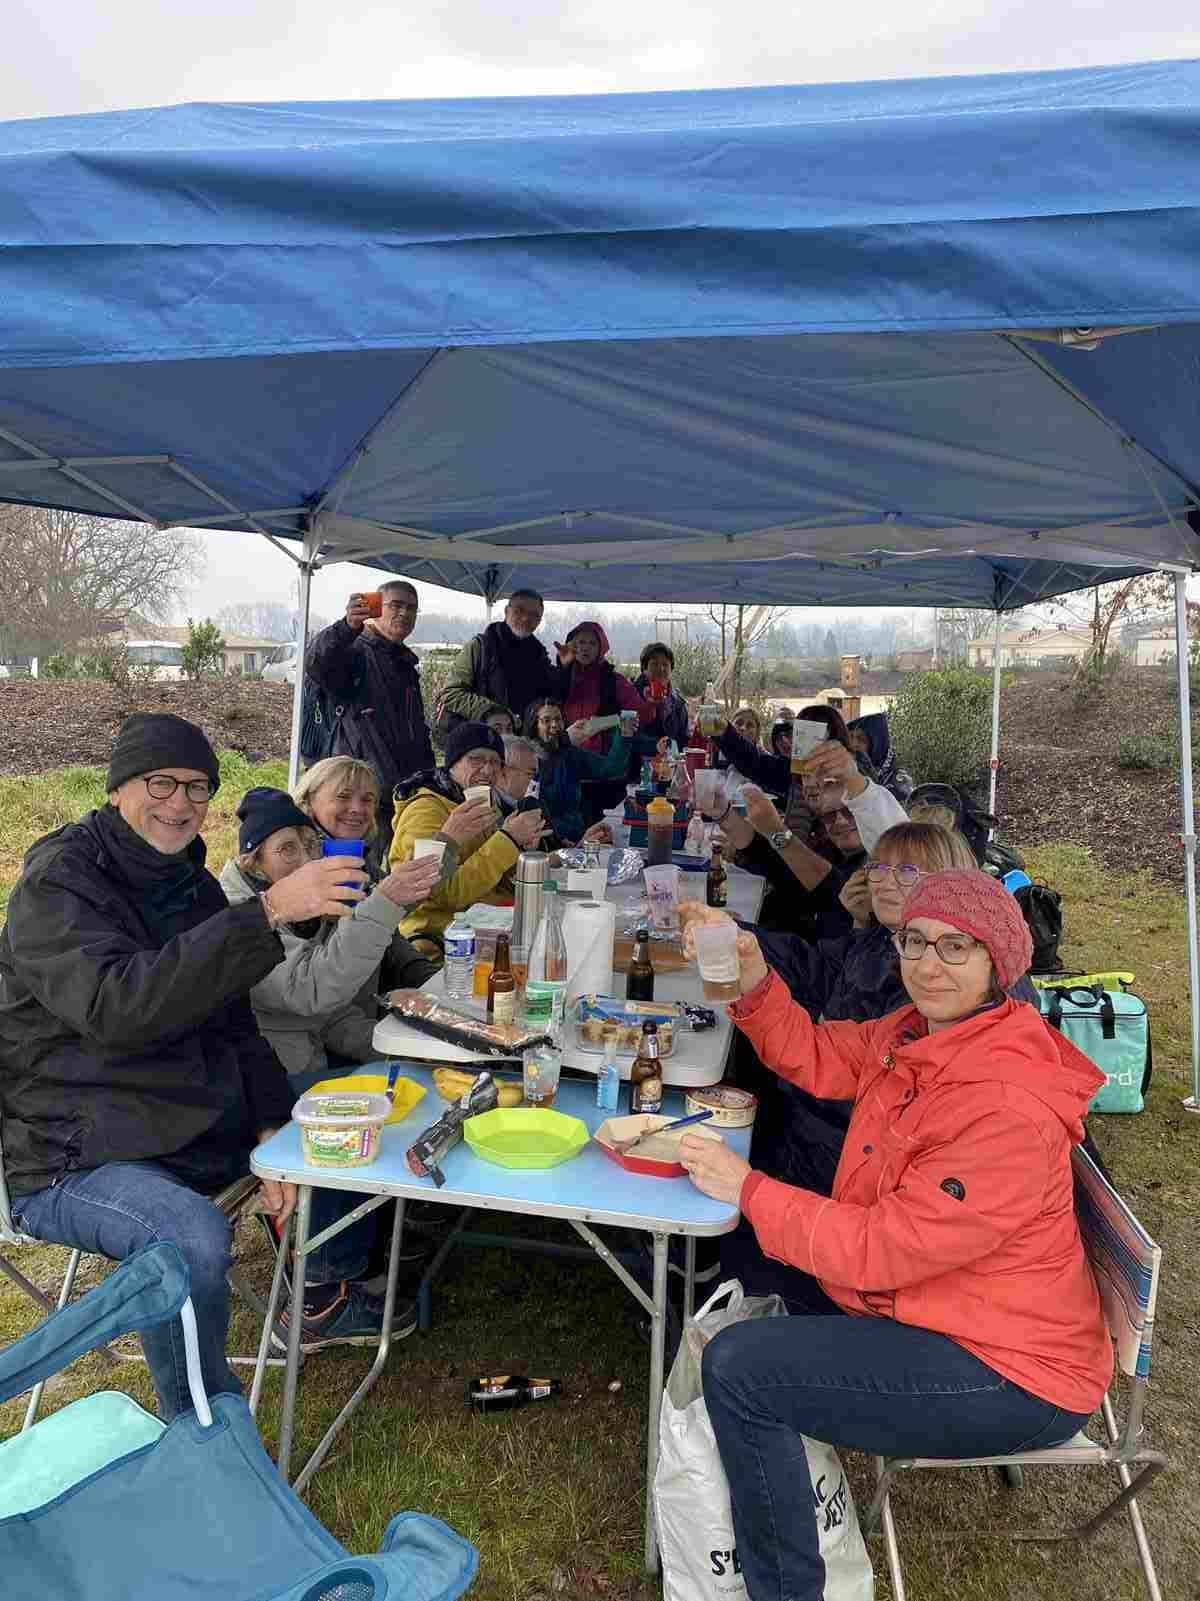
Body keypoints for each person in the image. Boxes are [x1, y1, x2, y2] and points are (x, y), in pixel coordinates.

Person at [680, 870, 1112, 1601]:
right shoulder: (922, 1031)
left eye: (956, 947)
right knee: (752, 1269)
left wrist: (747, 1187)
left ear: (998, 964)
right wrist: (751, 980)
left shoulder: (1003, 1102)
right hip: (936, 1302)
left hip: (1007, 1368)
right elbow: (817, 1055)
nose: (928, 963)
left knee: (742, 1368)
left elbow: (882, 1247)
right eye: (915, 941)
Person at [0, 714, 405, 1422]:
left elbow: (234, 1026)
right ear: (119, 787)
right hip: (67, 1152)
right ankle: (206, 1434)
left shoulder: (189, 887)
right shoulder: (57, 882)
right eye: (162, 783)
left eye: (197, 788)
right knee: (187, 1238)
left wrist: (275, 1128)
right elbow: (117, 1004)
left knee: (339, 1128)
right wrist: (271, 910)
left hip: (171, 1129)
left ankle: (327, 1300)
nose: (181, 804)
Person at [218, 787, 446, 1092]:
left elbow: (333, 1017)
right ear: (253, 862)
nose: (306, 860)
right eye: (287, 849)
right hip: (270, 1089)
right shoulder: (238, 918)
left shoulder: (314, 910)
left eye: (312, 845)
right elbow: (311, 989)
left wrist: (414, 1050)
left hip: (315, 1067)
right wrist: (386, 900)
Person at [709, 742, 908, 941]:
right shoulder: (831, 849)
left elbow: (828, 887)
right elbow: (783, 868)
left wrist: (775, 831)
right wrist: (725, 815)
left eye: (849, 810)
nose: (840, 820)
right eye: (829, 815)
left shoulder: (884, 861)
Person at [388, 722, 550, 958]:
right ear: (453, 763)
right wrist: (507, 839)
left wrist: (521, 852)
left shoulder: (483, 804)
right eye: (476, 759)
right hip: (438, 944)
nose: (487, 770)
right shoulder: (425, 810)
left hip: (488, 931)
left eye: (495, 762)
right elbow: (446, 894)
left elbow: (494, 883)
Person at [304, 581, 432, 838]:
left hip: (400, 793)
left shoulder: (404, 663)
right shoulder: (354, 651)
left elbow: (415, 730)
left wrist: (427, 778)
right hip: (358, 792)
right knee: (356, 866)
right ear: (377, 608)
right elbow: (317, 661)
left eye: (411, 608)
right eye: (396, 605)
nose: (404, 613)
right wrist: (346, 627)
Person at [436, 589, 558, 732]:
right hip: (482, 740)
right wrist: (494, 712)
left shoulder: (539, 655)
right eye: (519, 611)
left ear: (539, 620)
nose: (526, 618)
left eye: (534, 615)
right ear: (506, 611)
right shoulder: (481, 647)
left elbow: (551, 694)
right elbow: (451, 693)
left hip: (522, 743)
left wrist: (564, 664)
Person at [523, 695, 631, 846]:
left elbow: (611, 768)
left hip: (579, 838)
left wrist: (624, 735)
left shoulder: (570, 753)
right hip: (546, 842)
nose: (554, 725)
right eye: (546, 720)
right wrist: (564, 739)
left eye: (558, 719)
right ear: (534, 725)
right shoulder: (525, 757)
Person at [554, 621, 654, 752]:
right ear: (572, 646)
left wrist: (651, 704)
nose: (586, 648)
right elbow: (542, 708)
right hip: (564, 756)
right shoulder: (561, 677)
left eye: (592, 643)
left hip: (604, 761)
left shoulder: (615, 681)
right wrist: (562, 668)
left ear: (601, 648)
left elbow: (641, 716)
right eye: (581, 642)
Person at [633, 642, 691, 751]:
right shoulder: (631, 696)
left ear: (671, 669)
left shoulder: (678, 701)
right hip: (638, 764)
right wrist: (655, 745)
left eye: (665, 664)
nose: (661, 669)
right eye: (654, 664)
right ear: (644, 669)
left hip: (670, 764)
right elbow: (626, 736)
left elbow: (684, 739)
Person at [847, 709, 912, 801]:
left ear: (877, 745)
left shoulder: (899, 782)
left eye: (861, 739)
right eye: (850, 737)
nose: (853, 744)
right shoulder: (848, 771)